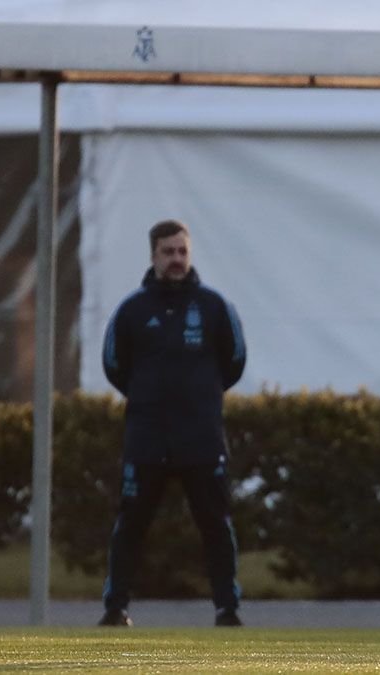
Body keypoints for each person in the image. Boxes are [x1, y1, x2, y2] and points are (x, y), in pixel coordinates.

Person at [98, 219, 247, 627]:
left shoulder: (215, 308)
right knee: (130, 525)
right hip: (147, 439)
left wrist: (202, 397)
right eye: (168, 252)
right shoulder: (132, 310)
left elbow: (234, 362)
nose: (177, 259)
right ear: (153, 256)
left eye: (182, 251)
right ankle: (116, 608)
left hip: (201, 438)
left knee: (215, 524)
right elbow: (114, 365)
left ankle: (226, 608)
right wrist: (148, 397)